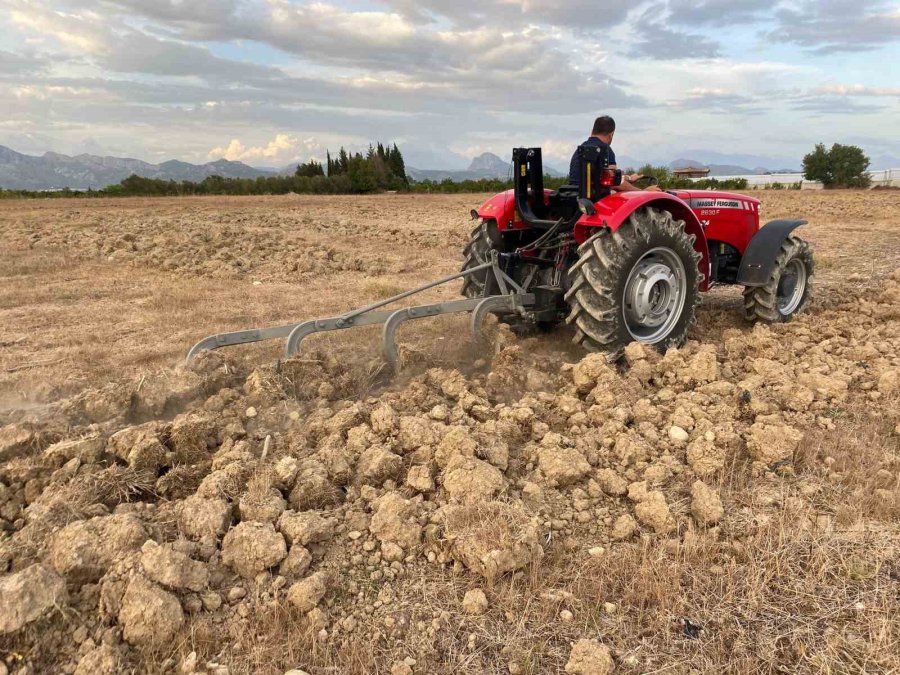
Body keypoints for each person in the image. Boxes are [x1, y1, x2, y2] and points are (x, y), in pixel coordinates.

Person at [568, 116, 660, 192]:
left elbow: (599, 176)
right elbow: (615, 183)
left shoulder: (580, 150)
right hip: (594, 200)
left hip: (575, 198)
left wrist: (628, 178)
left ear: (592, 131)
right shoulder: (605, 150)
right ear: (611, 135)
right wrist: (643, 192)